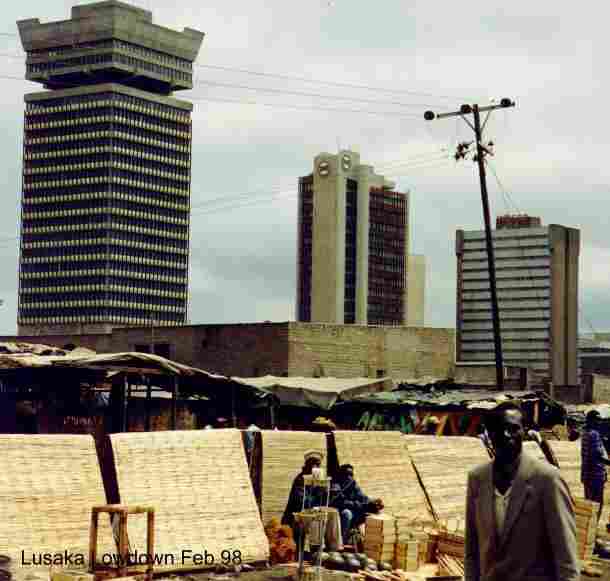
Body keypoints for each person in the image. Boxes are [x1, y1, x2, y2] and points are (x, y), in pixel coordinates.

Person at [465, 401, 578, 581]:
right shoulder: (478, 479)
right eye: (497, 429)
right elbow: (472, 549)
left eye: (513, 429)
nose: (505, 435)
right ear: (488, 434)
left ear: (523, 432)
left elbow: (567, 558)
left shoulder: (547, 479)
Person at [282, 450, 342, 553]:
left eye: (317, 464)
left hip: (314, 512)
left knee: (333, 514)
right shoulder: (300, 480)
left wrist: (329, 493)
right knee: (317, 517)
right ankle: (316, 550)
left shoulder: (320, 479)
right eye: (312, 464)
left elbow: (325, 501)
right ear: (307, 465)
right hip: (297, 516)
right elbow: (301, 502)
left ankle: (333, 548)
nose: (315, 467)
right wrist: (318, 498)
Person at [330, 464, 384, 545]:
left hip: (354, 510)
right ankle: (341, 542)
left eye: (351, 475)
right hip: (339, 512)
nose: (349, 477)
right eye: (346, 475)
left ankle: (367, 542)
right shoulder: (336, 485)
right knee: (346, 514)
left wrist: (373, 502)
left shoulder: (353, 484)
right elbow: (340, 502)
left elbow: (362, 497)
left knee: (373, 512)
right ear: (341, 475)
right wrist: (361, 505)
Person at [581, 410, 610, 521]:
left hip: (586, 475)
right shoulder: (594, 434)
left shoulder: (584, 434)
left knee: (589, 505)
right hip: (596, 476)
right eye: (596, 420)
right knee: (597, 505)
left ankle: (589, 532)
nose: (598, 423)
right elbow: (597, 456)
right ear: (591, 421)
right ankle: (593, 531)